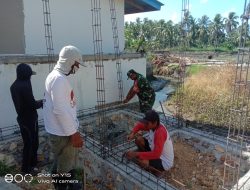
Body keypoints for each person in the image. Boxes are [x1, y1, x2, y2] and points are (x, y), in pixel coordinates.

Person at [43, 45, 85, 189]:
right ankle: (62, 187)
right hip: (63, 133)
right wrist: (74, 133)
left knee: (63, 162)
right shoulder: (59, 79)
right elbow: (60, 110)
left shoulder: (55, 76)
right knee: (64, 167)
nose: (78, 67)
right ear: (70, 62)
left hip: (60, 130)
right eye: (77, 64)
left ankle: (69, 185)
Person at [10, 63, 43, 173]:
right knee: (32, 143)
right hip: (30, 119)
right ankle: (28, 168)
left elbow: (25, 103)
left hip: (22, 119)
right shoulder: (25, 85)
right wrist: (43, 102)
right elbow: (32, 104)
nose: (30, 77)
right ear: (26, 75)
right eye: (29, 75)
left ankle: (29, 166)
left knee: (27, 143)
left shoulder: (14, 85)